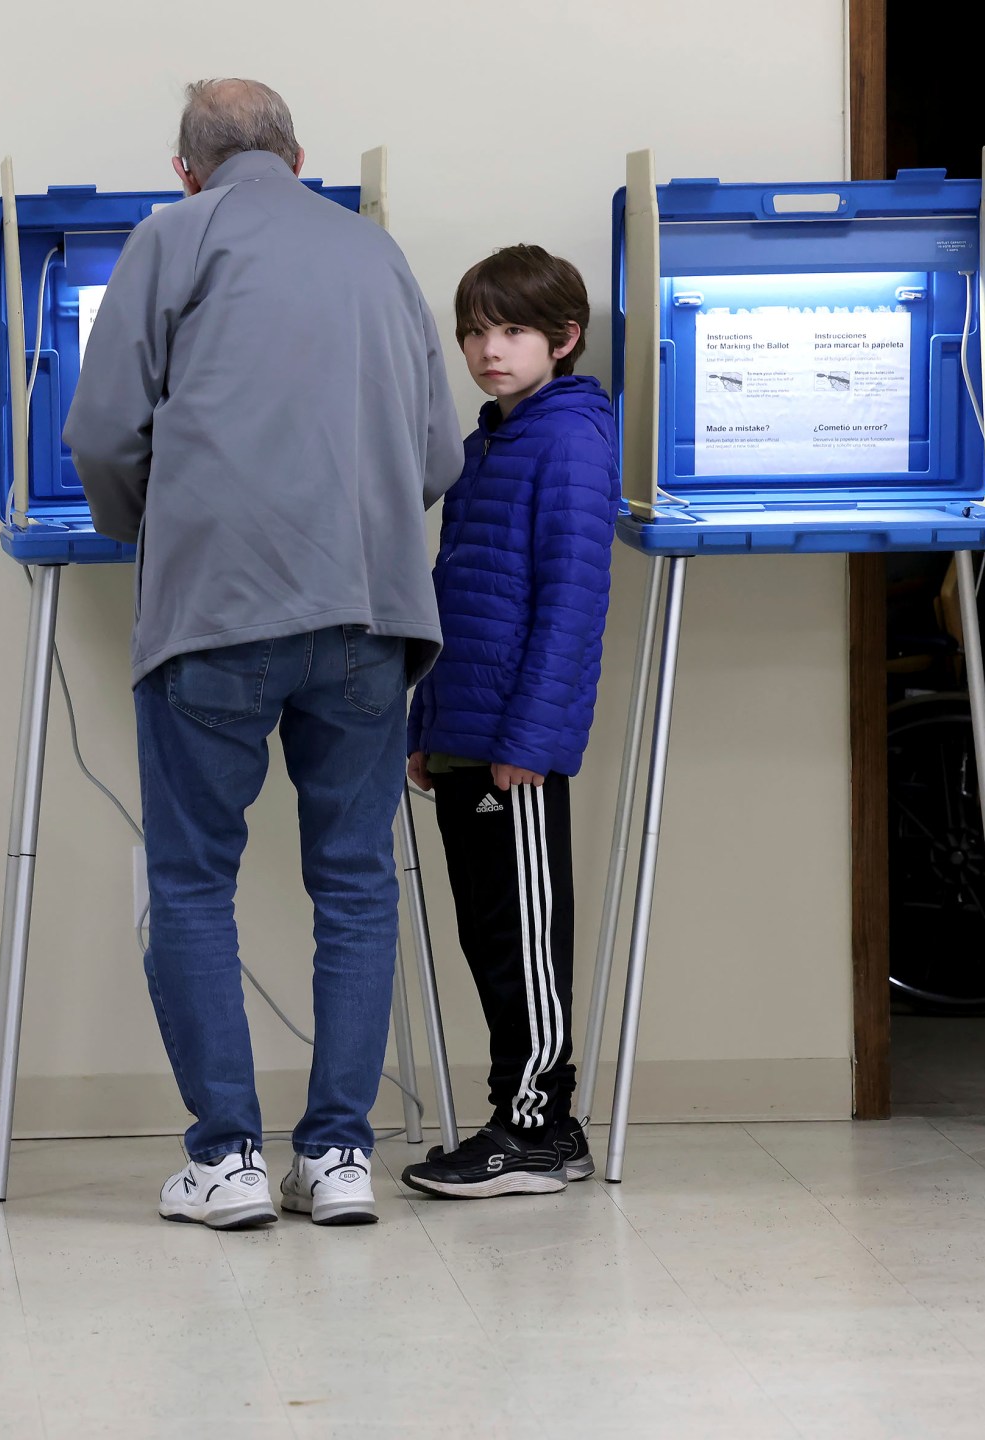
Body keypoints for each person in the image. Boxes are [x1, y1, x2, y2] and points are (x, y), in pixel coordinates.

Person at [64, 79, 461, 1230]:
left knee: (192, 883)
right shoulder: (375, 252)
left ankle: (226, 1162)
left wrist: (156, 520)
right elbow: (436, 454)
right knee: (354, 884)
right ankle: (338, 1158)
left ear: (184, 169)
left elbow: (98, 431)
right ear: (298, 154)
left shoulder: (169, 235)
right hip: (369, 615)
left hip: (217, 617)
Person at [399, 246, 618, 1199]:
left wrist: (527, 746)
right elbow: (458, 595)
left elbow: (572, 601)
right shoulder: (492, 438)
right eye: (477, 331)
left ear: (563, 339)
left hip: (509, 752)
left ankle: (540, 1129)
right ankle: (518, 1119)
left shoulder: (569, 439)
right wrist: (425, 723)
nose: (490, 350)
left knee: (523, 937)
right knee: (489, 935)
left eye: (514, 331)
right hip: (464, 734)